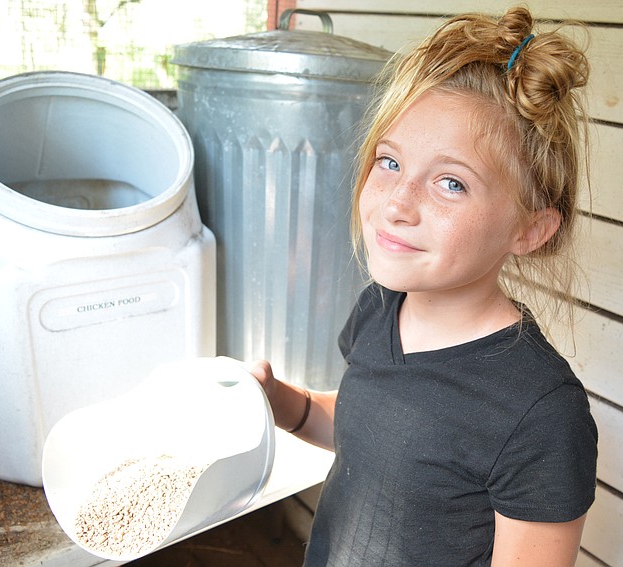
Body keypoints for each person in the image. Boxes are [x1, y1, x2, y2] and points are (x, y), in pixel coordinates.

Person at [250, 6, 598, 566]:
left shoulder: (541, 414)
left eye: (451, 183)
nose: (397, 203)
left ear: (529, 229)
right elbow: (370, 430)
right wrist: (279, 403)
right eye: (389, 162)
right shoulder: (378, 309)